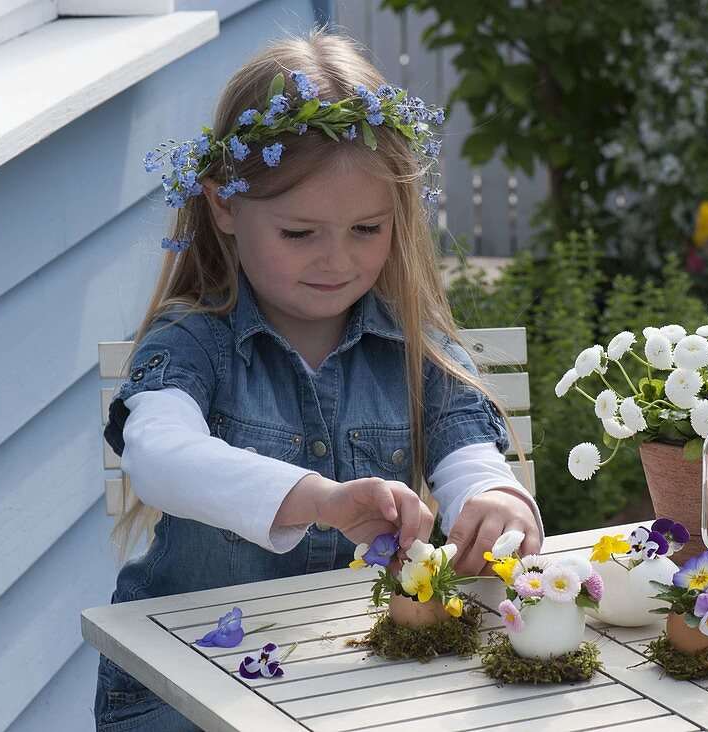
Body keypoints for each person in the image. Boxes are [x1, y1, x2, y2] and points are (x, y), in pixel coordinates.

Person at [93, 28, 542, 731]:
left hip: (349, 682)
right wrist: (319, 499)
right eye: (300, 233)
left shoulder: (415, 343)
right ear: (223, 207)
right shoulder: (194, 344)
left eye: (367, 228)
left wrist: (496, 501)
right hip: (186, 691)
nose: (337, 260)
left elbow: (470, 455)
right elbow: (156, 456)